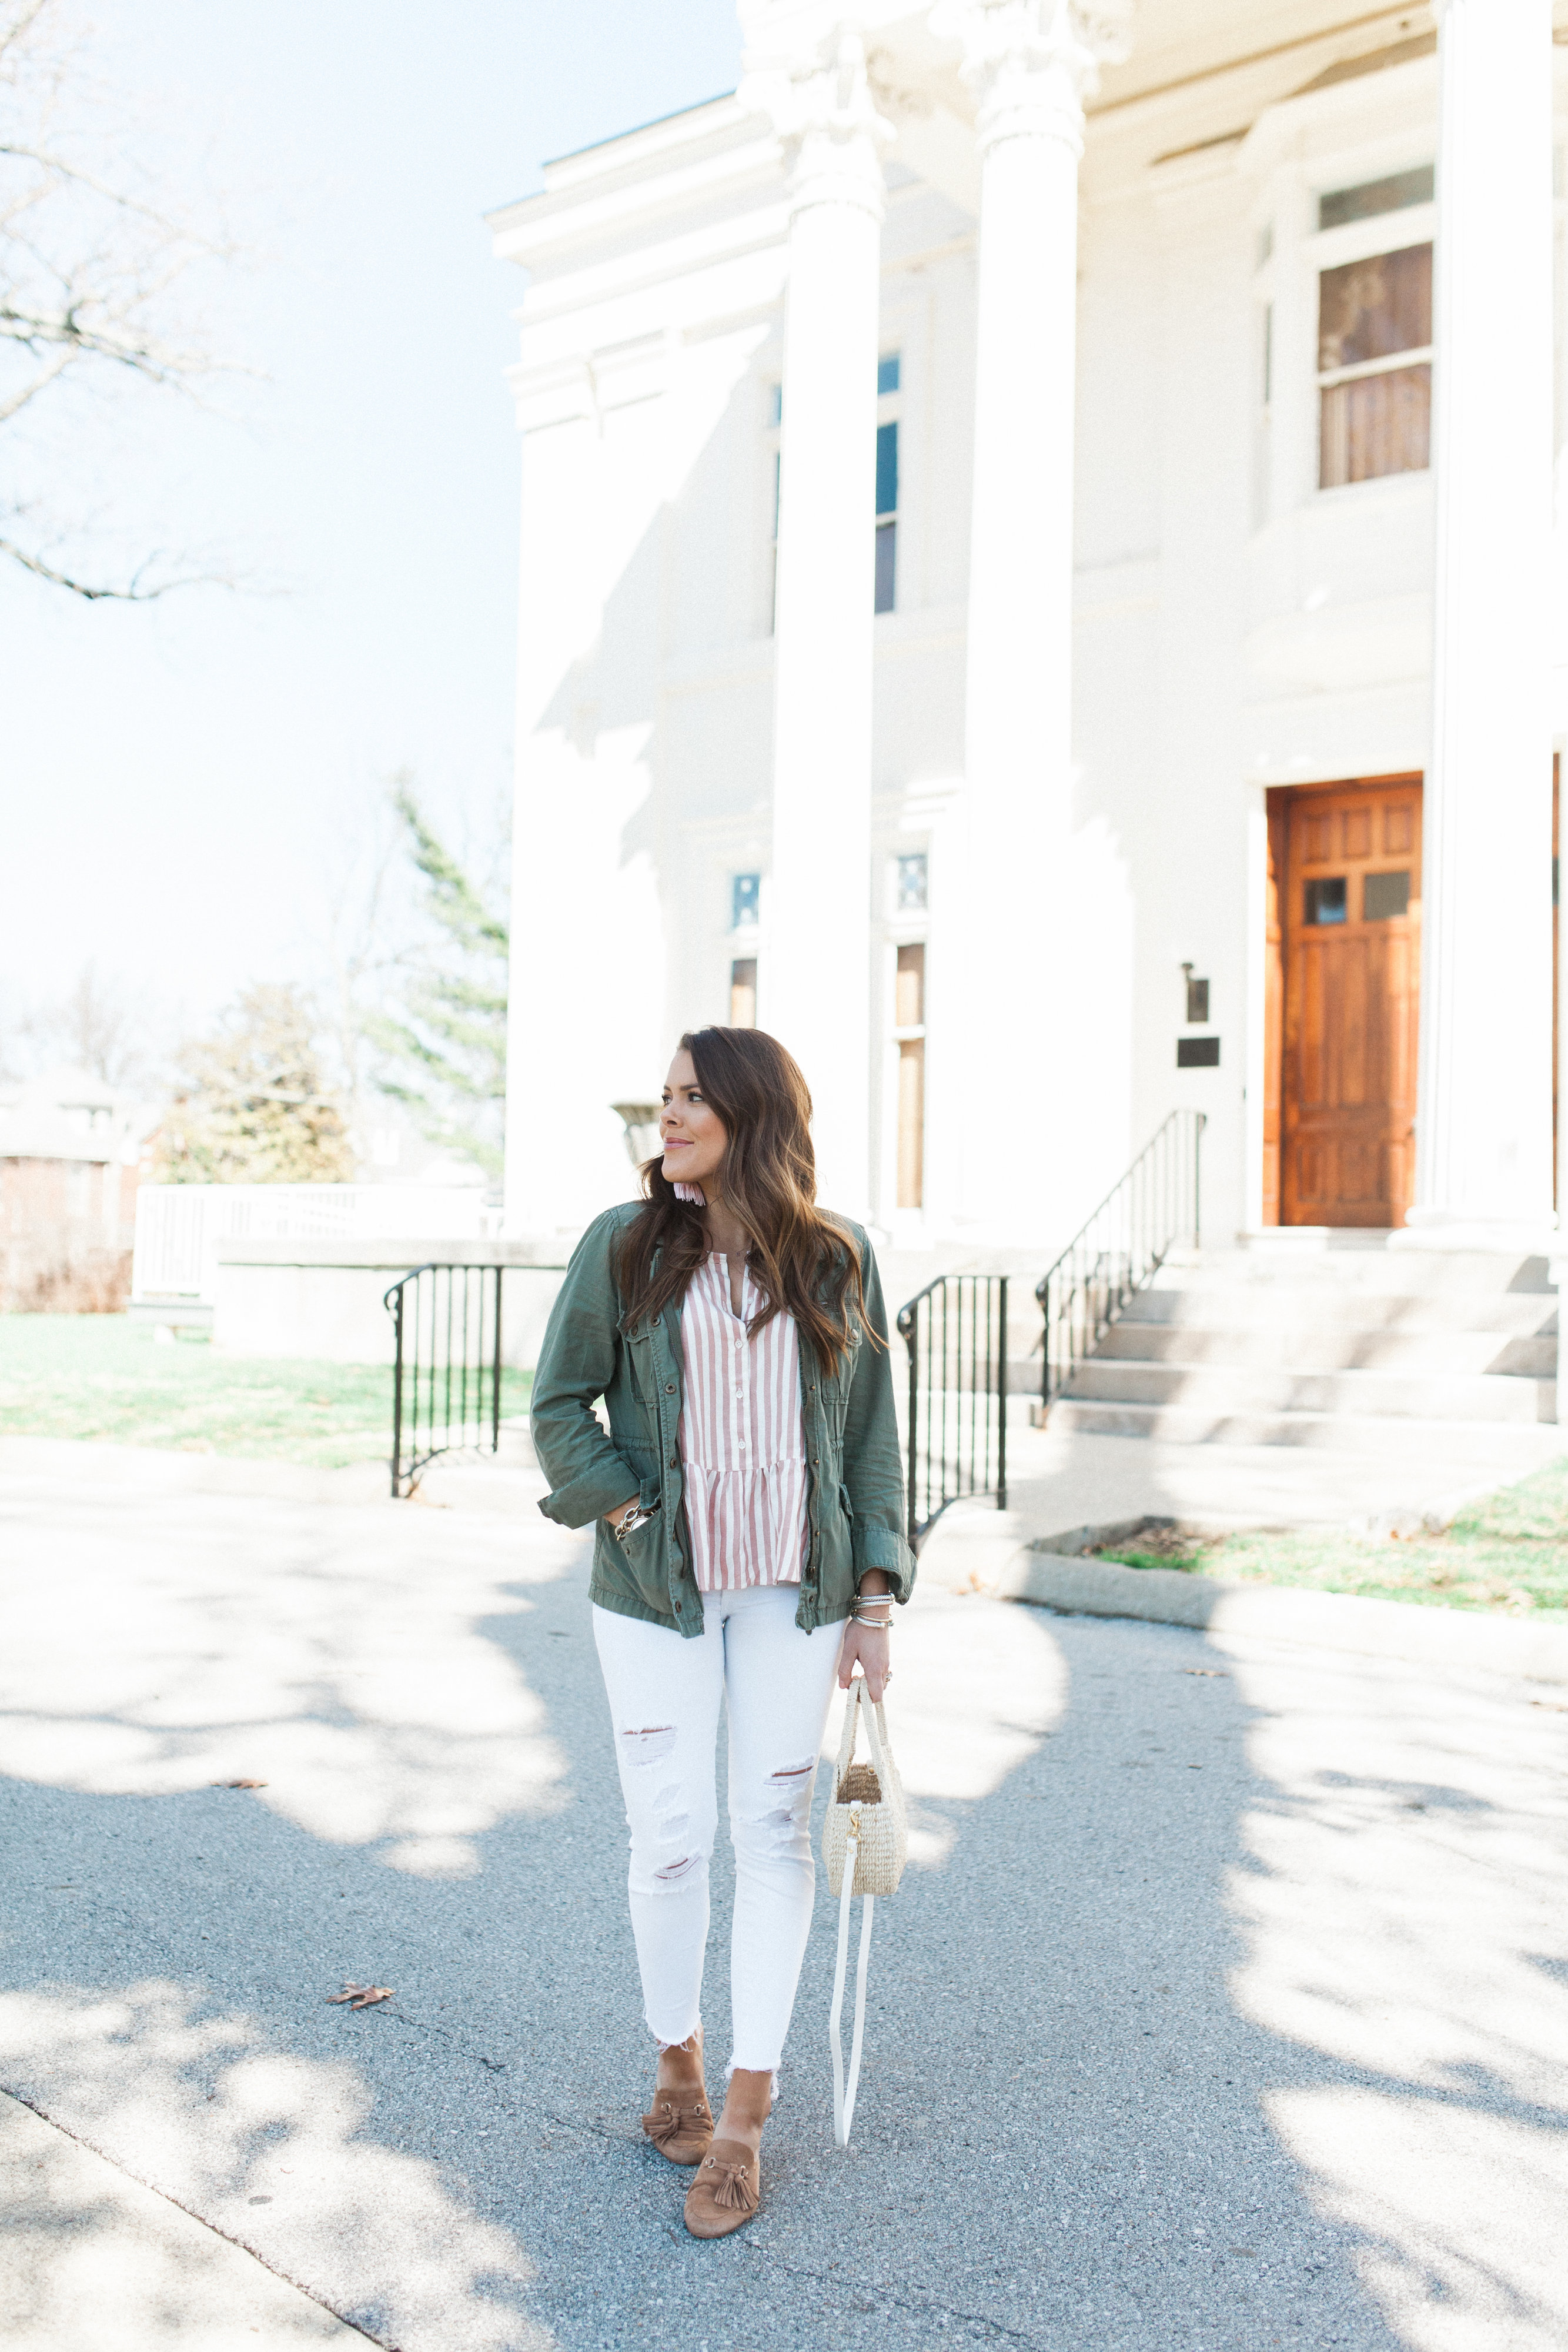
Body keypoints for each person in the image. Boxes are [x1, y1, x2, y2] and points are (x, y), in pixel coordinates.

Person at [530, 1025, 915, 2239]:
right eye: (666, 1096)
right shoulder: (626, 1245)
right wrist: (632, 1502)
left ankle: (745, 2111)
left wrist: (870, 1601)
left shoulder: (833, 1255)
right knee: (669, 1834)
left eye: (694, 1096)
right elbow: (557, 1404)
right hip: (655, 1594)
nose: (671, 1115)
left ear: (753, 1113)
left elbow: (868, 1442)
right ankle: (676, 2067)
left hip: (794, 1599)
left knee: (770, 1830)